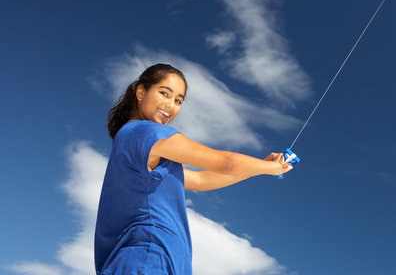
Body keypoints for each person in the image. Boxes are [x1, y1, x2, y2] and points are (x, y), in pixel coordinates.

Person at [94, 63, 292, 275]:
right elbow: (223, 162)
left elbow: (201, 180)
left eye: (178, 100)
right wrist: (271, 167)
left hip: (156, 262)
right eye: (164, 93)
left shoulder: (135, 144)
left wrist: (260, 167)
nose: (170, 105)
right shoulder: (146, 132)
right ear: (141, 92)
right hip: (147, 260)